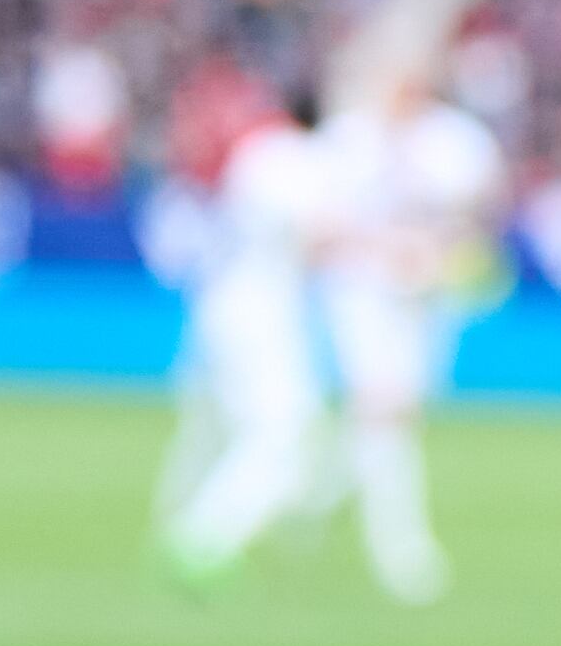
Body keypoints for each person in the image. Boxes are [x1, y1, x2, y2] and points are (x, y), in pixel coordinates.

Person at [314, 58, 507, 605]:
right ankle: (401, 549)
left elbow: (479, 216)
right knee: (385, 410)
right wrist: (385, 249)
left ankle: (316, 497)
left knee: (398, 408)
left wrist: (442, 255)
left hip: (425, 299)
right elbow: (323, 225)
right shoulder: (347, 140)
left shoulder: (457, 142)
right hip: (360, 290)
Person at [156, 80, 337, 589]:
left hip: (225, 301)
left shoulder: (256, 152)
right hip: (264, 312)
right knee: (281, 435)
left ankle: (186, 524)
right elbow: (318, 236)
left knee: (212, 429)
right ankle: (203, 538)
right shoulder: (301, 159)